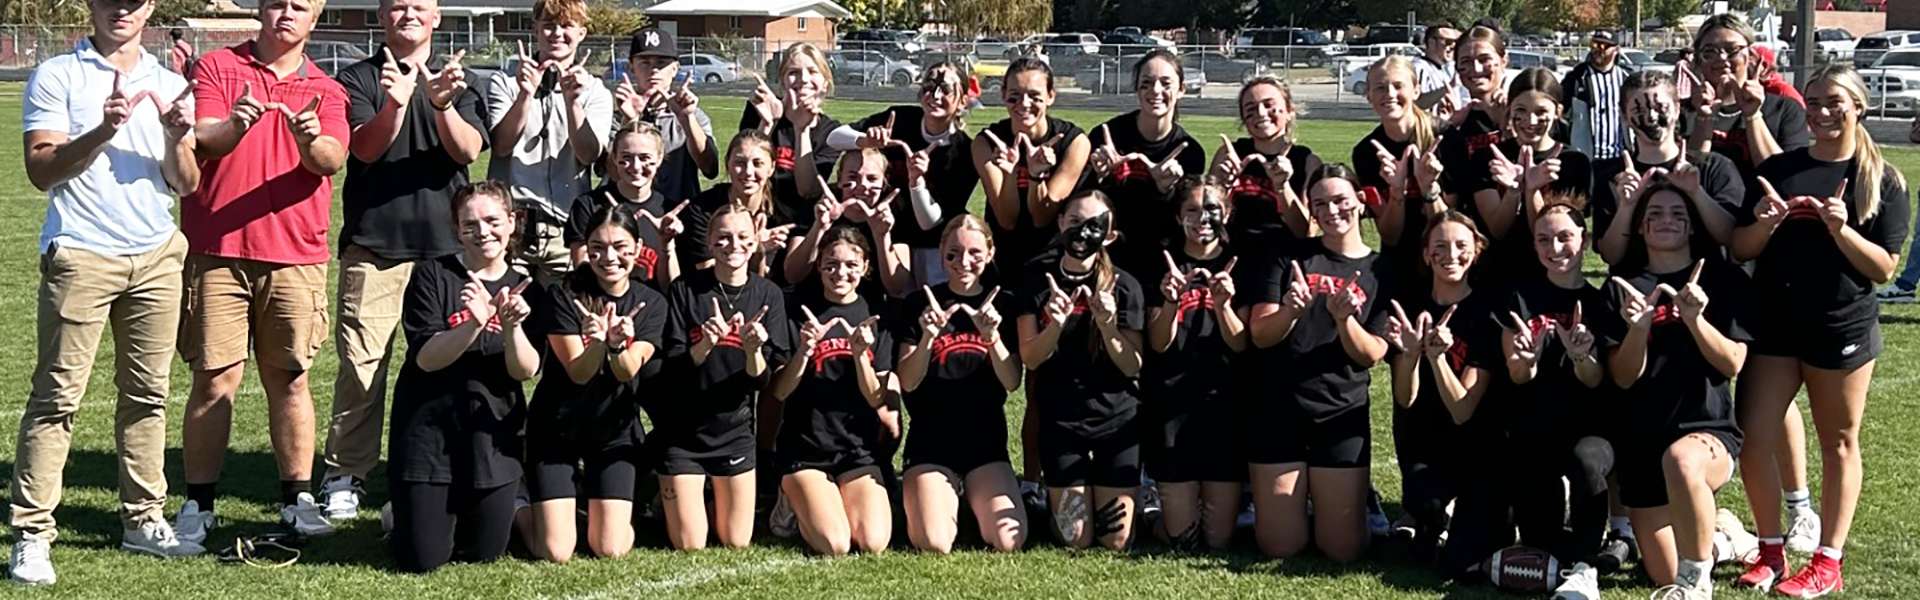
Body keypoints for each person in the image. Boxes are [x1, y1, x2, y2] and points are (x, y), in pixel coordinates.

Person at [9, 0, 206, 584]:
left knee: (148, 397)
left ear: (150, 9)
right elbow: (41, 170)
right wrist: (103, 128)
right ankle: (33, 532)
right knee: (56, 400)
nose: (121, 9)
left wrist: (175, 136)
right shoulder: (58, 75)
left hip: (155, 256)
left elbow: (187, 183)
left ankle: (142, 519)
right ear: (92, 6)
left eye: (134, 1)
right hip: (81, 253)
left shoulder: (172, 82)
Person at [174, 0, 350, 542]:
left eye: (299, 6)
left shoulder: (328, 87)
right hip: (217, 250)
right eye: (276, 3)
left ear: (315, 18)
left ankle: (296, 496)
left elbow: (330, 159)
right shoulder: (219, 67)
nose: (286, 15)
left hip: (295, 255)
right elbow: (205, 137)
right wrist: (236, 124)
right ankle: (198, 503)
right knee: (213, 379)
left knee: (290, 379)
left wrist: (307, 140)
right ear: (260, 11)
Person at [1732, 64, 1909, 597]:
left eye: (1834, 101)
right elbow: (1741, 248)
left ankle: (1828, 561)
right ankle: (1769, 552)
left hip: (1841, 326)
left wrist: (1840, 229)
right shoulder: (1781, 169)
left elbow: (1883, 270)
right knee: (1753, 438)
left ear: (1857, 106)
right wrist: (1765, 223)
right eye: (1813, 101)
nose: (1822, 112)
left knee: (1838, 442)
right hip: (1776, 323)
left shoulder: (1882, 179)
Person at [319, 0, 488, 523]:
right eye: (397, 6)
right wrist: (396, 103)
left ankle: (444, 463)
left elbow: (468, 152)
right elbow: (364, 151)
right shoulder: (359, 77)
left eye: (420, 6)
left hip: (446, 253)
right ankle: (346, 474)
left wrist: (439, 105)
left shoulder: (462, 79)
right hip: (376, 248)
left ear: (437, 17)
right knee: (363, 368)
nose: (408, 14)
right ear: (382, 16)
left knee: (450, 366)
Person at [1604, 178, 1758, 599]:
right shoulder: (1622, 286)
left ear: (1692, 226)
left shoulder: (1722, 279)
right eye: (1654, 214)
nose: (1665, 221)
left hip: (1705, 433)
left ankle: (1697, 584)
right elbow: (1621, 376)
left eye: (1677, 214)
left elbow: (1733, 363)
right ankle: (1724, 537)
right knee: (1663, 572)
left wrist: (1695, 320)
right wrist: (1637, 329)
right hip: (1642, 444)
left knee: (1683, 459)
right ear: (1640, 228)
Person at [386, 181, 537, 574]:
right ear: (456, 229)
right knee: (423, 560)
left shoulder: (526, 286)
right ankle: (398, 512)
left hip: (491, 440)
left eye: (492, 220)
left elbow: (524, 370)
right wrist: (473, 324)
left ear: (512, 221)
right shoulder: (433, 275)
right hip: (429, 434)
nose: (482, 232)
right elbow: (427, 360)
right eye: (469, 224)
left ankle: (500, 500)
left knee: (486, 553)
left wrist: (510, 328)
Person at [1243, 164, 1389, 562]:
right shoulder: (1289, 257)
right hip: (1279, 406)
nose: (1331, 211)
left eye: (1341, 200)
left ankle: (1353, 503)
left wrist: (1345, 321)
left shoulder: (1381, 270)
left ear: (1360, 201)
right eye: (1320, 203)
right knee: (1280, 547)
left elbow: (1372, 353)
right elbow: (1260, 333)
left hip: (1339, 410)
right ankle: (1290, 502)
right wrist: (1290, 311)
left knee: (1342, 550)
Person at [1486, 196, 1618, 599]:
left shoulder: (1600, 301)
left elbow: (1597, 381)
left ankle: (1587, 564)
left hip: (1589, 428)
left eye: (1564, 237)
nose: (1555, 248)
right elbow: (1518, 375)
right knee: (1541, 544)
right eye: (1544, 239)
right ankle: (1599, 547)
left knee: (1586, 461)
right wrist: (1526, 359)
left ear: (1585, 240)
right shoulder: (1519, 299)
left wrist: (1581, 356)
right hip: (1534, 425)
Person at [526, 206, 668, 563]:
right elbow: (578, 372)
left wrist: (617, 346)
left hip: (613, 434)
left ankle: (595, 505)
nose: (609, 257)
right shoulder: (563, 295)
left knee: (610, 548)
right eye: (597, 247)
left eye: (620, 246)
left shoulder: (652, 303)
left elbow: (626, 371)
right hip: (557, 428)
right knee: (556, 551)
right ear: (585, 251)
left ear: (637, 249)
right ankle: (518, 505)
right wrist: (600, 343)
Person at [1017, 190, 1145, 551]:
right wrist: (1053, 326)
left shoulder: (1126, 287)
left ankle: (1138, 501)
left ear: (1110, 235)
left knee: (1115, 541)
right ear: (1060, 224)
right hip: (1062, 422)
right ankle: (1055, 497)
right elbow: (1030, 358)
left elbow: (1132, 365)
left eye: (1094, 226)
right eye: (1074, 222)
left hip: (1116, 422)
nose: (1082, 233)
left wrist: (1108, 327)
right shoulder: (1035, 279)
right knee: (1074, 537)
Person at [659, 203, 791, 550]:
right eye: (724, 238)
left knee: (736, 540)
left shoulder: (768, 295)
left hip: (733, 431)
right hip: (683, 433)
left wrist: (751, 351)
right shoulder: (685, 290)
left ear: (753, 243)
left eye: (742, 237)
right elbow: (672, 371)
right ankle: (675, 495)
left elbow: (764, 383)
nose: (734, 245)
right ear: (710, 242)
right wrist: (704, 344)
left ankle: (708, 496)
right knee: (690, 543)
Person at [894, 216, 1027, 553]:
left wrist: (992, 336)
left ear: (990, 252)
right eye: (953, 253)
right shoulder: (920, 304)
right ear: (941, 253)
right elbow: (908, 381)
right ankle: (936, 498)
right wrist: (927, 337)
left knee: (1008, 541)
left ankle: (969, 500)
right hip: (931, 443)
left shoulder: (1005, 306)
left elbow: (1012, 382)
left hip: (985, 443)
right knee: (934, 542)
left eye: (974, 253)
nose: (963, 263)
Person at [768, 226, 897, 556]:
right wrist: (804, 351)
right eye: (831, 264)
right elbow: (779, 392)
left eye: (851, 265)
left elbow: (875, 397)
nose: (841, 273)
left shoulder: (876, 317)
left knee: (873, 542)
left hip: (857, 450)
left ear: (865, 267)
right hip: (806, 449)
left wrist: (860, 357)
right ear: (819, 266)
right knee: (835, 544)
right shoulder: (797, 311)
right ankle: (790, 498)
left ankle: (831, 500)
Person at [1383, 212, 1500, 564]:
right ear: (1425, 254)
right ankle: (1432, 514)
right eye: (1440, 246)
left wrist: (1438, 359)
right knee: (1426, 504)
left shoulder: (1487, 311)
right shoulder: (1410, 308)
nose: (1451, 254)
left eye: (1461, 245)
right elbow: (1405, 397)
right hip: (1423, 440)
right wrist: (1410, 353)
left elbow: (1463, 410)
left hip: (1473, 443)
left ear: (1476, 250)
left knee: (1466, 559)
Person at [1140, 180, 1245, 551]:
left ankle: (1238, 502)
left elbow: (1241, 341)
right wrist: (1170, 302)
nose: (1203, 218)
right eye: (1193, 211)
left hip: (1223, 402)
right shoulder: (1160, 261)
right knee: (1182, 540)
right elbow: (1158, 343)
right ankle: (1152, 512)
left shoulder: (1240, 261)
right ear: (1178, 216)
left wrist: (1224, 306)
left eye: (1213, 209)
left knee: (1217, 541)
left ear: (1227, 213)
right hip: (1172, 402)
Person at [486, 0, 611, 284]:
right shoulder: (504, 82)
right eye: (549, 26)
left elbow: (589, 154)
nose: (557, 34)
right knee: (503, 316)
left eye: (567, 26)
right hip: (512, 226)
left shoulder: (596, 92)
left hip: (564, 228)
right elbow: (502, 145)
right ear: (535, 30)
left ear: (582, 33)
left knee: (562, 319)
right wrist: (524, 96)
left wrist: (573, 103)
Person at [827, 62, 978, 287]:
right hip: (886, 237)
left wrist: (916, 181)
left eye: (945, 89)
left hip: (932, 250)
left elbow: (930, 223)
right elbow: (834, 137)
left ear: (963, 100)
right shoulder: (900, 119)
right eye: (928, 85)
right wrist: (865, 140)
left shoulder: (965, 152)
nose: (934, 95)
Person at [1593, 71, 1742, 273]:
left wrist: (1696, 193)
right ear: (1624, 116)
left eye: (1660, 107)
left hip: (1706, 288)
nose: (1652, 116)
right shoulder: (1613, 176)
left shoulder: (1714, 167)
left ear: (1677, 108)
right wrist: (1627, 207)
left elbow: (1731, 238)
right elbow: (1611, 255)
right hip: (1636, 293)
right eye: (1639, 110)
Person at [1086, 50, 1207, 274]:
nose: (1156, 91)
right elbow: (1082, 206)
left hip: (1158, 260)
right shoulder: (1107, 136)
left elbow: (1180, 223)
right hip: (1106, 255)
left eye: (1165, 83)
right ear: (1137, 89)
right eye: (1147, 83)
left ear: (1181, 90)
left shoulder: (1190, 153)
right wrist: (1101, 176)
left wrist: (1164, 190)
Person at [1467, 67, 1594, 282]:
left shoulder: (1574, 162)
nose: (1530, 120)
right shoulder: (1487, 158)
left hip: (1553, 276)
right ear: (1509, 109)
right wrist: (1513, 192)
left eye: (1541, 111)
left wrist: (1532, 190)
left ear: (1558, 112)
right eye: (1521, 110)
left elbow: (1554, 234)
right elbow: (1497, 230)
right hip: (1496, 274)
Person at [973, 57, 1092, 280]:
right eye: (1015, 95)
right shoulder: (986, 142)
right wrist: (1010, 173)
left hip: (1055, 261)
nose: (1024, 104)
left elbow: (1043, 217)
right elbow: (1006, 219)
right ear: (1003, 94)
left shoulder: (1074, 142)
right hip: (1003, 258)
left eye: (1035, 96)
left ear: (1051, 97)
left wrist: (1036, 175)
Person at [1678, 14, 1810, 183]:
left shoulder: (1785, 110)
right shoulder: (1680, 112)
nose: (1722, 58)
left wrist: (1753, 115)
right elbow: (1683, 180)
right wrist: (1704, 119)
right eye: (1709, 52)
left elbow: (1786, 178)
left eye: (1732, 50)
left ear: (1751, 56)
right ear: (1697, 60)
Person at [1210, 76, 1322, 262]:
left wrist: (1282, 186)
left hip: (1281, 259)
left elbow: (1305, 231)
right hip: (1230, 255)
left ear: (1289, 110)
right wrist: (1223, 187)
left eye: (1269, 105)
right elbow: (1205, 218)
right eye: (1251, 109)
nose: (1261, 113)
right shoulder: (1229, 155)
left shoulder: (1307, 162)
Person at [1355, 55, 1446, 280]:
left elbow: (1451, 225)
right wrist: (1396, 194)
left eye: (1398, 86)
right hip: (1398, 264)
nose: (1390, 95)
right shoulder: (1366, 153)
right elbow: (1389, 235)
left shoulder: (1444, 137)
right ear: (1368, 95)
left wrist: (1429, 189)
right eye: (1380, 88)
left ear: (1416, 90)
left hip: (1446, 260)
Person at [565, 122, 684, 289]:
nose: (635, 167)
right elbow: (583, 273)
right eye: (626, 158)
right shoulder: (589, 206)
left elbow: (672, 288)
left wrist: (667, 244)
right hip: (604, 306)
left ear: (659, 158)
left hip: (654, 308)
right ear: (614, 157)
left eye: (645, 158)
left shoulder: (669, 212)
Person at [741, 43, 844, 236]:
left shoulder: (830, 131)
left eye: (812, 71)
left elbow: (808, 190)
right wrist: (768, 123)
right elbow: (743, 171)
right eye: (793, 72)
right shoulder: (758, 112)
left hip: (801, 228)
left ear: (825, 83)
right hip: (755, 221)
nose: (803, 79)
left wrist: (801, 129)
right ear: (782, 81)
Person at [611, 27, 716, 205]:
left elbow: (710, 169)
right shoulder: (617, 116)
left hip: (679, 213)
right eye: (645, 62)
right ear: (631, 67)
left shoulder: (693, 115)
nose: (654, 70)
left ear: (674, 69)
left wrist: (687, 119)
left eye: (661, 63)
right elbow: (611, 173)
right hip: (625, 213)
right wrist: (630, 121)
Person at [1563, 31, 1631, 167]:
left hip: (1618, 158)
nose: (1598, 50)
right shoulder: (1576, 78)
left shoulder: (1626, 79)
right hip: (1585, 159)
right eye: (1595, 44)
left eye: (1604, 46)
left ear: (1616, 50)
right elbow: (1561, 114)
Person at [1413, 21, 1461, 108]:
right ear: (1431, 42)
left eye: (1456, 42)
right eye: (1448, 42)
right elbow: (1416, 104)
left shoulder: (1445, 69)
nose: (1453, 46)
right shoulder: (1418, 68)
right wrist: (1449, 87)